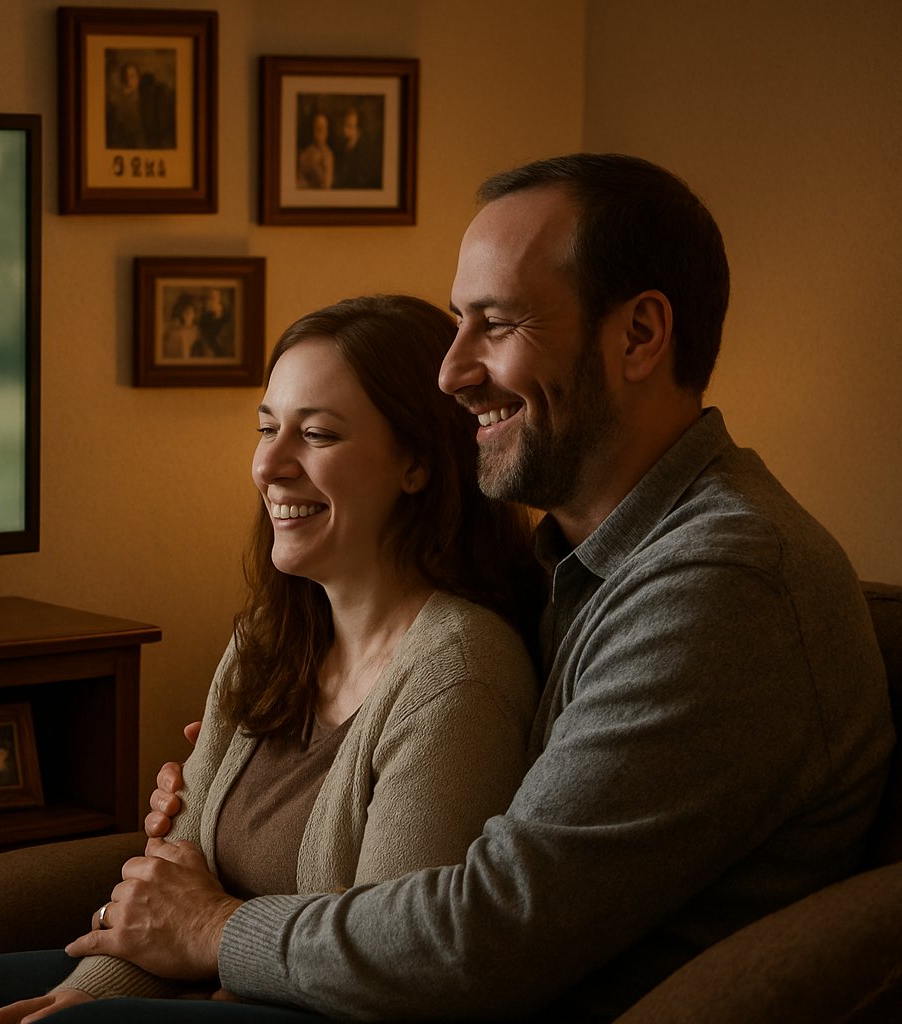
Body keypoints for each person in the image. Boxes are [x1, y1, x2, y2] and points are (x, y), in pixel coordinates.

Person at [85, 154, 895, 1021]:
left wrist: (215, 929)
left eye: (497, 325)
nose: (451, 372)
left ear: (640, 335)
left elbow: (482, 938)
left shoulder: (722, 586)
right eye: (455, 324)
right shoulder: (571, 569)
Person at [0, 294, 544, 1023]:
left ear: (417, 463)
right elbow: (174, 875)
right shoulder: (268, 639)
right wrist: (84, 993)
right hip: (206, 979)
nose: (269, 465)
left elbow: (396, 962)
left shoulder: (459, 672)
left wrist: (206, 958)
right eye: (265, 428)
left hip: (329, 1011)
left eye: (315, 434)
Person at [331, 106, 379, 190]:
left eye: (349, 125)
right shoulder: (340, 148)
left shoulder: (365, 151)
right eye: (343, 124)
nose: (344, 129)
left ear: (358, 128)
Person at [191, 288, 234, 359]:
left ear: (220, 300)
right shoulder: (205, 317)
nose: (209, 301)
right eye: (209, 298)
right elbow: (201, 333)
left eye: (213, 298)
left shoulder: (227, 319)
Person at [295, 111, 333, 190]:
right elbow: (299, 184)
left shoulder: (329, 155)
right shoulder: (305, 155)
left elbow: (327, 185)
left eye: (324, 128)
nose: (321, 131)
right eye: (318, 128)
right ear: (313, 130)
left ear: (327, 131)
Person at [160, 296, 200, 360]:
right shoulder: (175, 329)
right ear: (181, 313)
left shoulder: (196, 330)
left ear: (194, 313)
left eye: (190, 312)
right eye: (185, 312)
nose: (187, 315)